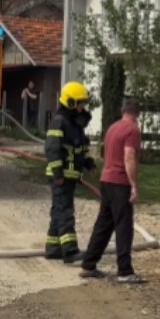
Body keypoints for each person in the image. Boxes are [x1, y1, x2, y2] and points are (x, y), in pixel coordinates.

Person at [80, 98, 147, 284]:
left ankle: (88, 264)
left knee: (103, 224)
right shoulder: (132, 130)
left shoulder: (113, 128)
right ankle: (124, 271)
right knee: (124, 227)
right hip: (120, 183)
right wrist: (133, 184)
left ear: (123, 110)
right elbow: (129, 156)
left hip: (106, 180)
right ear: (138, 113)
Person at [44, 81, 96, 263]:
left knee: (59, 209)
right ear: (71, 102)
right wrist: (58, 173)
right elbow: (52, 149)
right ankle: (70, 250)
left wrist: (89, 164)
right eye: (80, 102)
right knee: (65, 210)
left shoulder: (75, 124)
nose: (83, 106)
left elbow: (80, 149)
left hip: (69, 175)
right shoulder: (60, 122)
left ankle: (53, 248)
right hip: (61, 176)